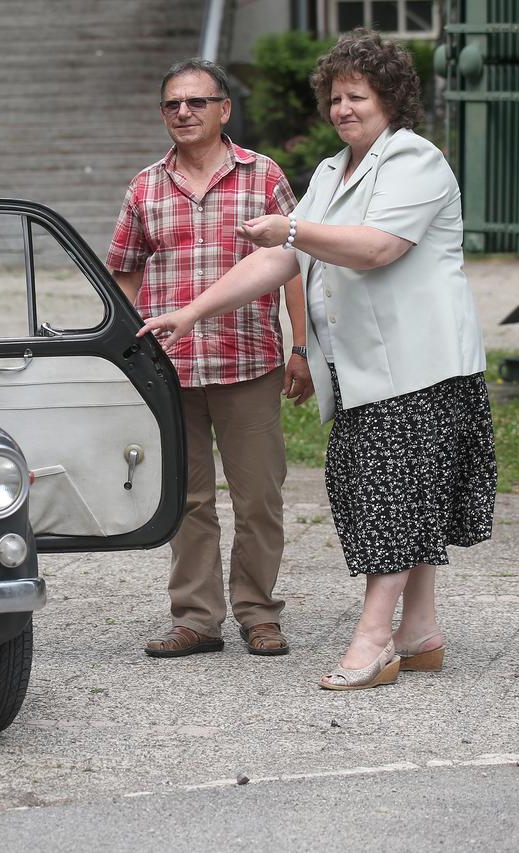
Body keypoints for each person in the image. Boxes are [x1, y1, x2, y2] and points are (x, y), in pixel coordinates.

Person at [138, 30, 497, 689]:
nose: (342, 109)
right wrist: (194, 310)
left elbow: (377, 247)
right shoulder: (334, 171)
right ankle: (419, 630)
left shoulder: (415, 160)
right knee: (393, 499)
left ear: (390, 98)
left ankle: (372, 641)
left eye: (356, 96)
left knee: (391, 504)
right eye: (334, 97)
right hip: (364, 372)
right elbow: (282, 260)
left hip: (423, 367)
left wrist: (293, 229)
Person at [108, 58, 312, 659]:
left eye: (197, 102)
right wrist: (126, 352)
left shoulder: (264, 176)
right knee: (188, 498)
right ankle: (197, 618)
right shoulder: (145, 187)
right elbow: (123, 270)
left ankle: (258, 612)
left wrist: (300, 346)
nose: (184, 113)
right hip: (170, 368)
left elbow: (296, 262)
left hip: (247, 361)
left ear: (224, 109)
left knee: (259, 497)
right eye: (172, 104)